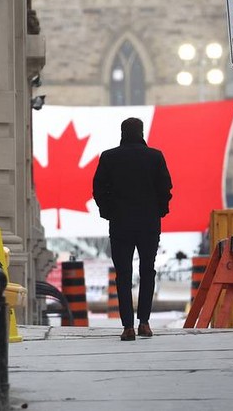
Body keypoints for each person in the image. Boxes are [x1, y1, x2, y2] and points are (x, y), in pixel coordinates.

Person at [92, 117, 172, 341]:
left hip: (120, 223)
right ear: (141, 132)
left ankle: (127, 326)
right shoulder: (155, 157)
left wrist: (108, 211)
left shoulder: (109, 157)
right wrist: (160, 210)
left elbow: (98, 189)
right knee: (148, 270)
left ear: (122, 133)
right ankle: (144, 322)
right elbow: (165, 188)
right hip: (148, 223)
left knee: (123, 275)